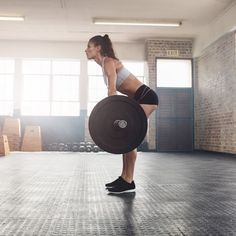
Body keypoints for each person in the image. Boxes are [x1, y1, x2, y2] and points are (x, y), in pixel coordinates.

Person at [85, 34, 159, 194]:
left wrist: (111, 113)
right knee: (127, 137)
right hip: (137, 100)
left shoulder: (108, 61)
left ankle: (128, 179)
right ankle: (125, 177)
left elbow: (112, 89)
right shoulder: (104, 64)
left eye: (89, 46)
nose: (86, 50)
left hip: (147, 97)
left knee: (129, 137)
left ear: (98, 47)